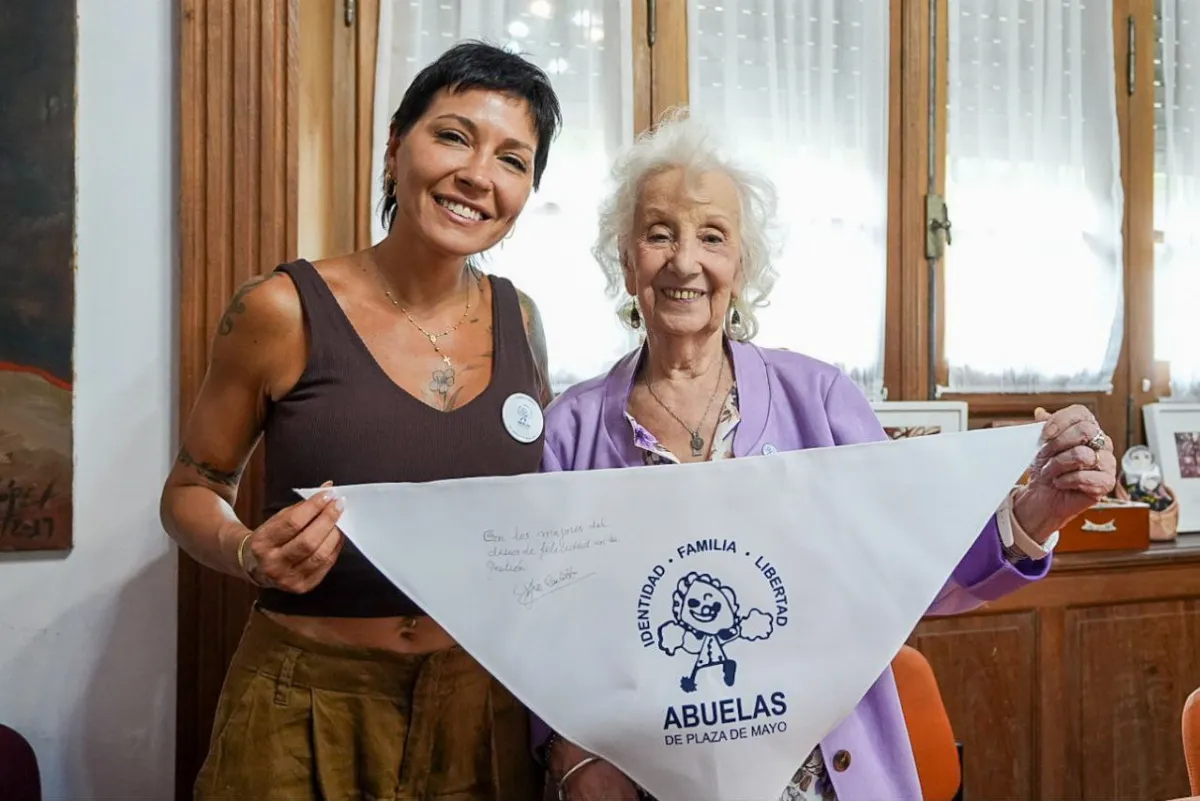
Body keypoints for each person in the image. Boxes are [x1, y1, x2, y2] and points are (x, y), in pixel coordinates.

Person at [534, 112, 1117, 801]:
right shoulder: (569, 431)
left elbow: (905, 570)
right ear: (627, 259)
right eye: (659, 233)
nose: (685, 261)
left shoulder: (820, 399)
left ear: (741, 265)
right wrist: (575, 759)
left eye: (712, 236)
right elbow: (543, 634)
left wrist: (1038, 511)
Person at [159, 41, 561, 801]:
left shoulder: (524, 321)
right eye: (453, 136)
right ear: (394, 148)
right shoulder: (281, 308)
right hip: (306, 699)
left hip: (480, 705)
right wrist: (246, 550)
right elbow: (189, 490)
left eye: (513, 159)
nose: (478, 175)